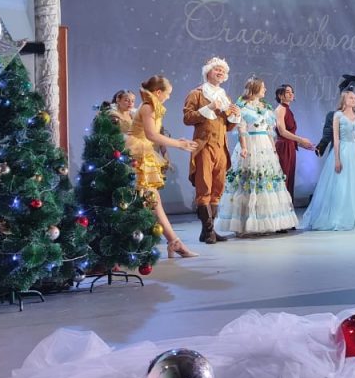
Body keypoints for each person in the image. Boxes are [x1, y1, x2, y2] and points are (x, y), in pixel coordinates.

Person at [125, 76, 199, 258]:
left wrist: (178, 142)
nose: (168, 97)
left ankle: (173, 242)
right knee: (148, 200)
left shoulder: (152, 106)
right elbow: (151, 135)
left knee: (151, 200)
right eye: (168, 93)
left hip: (143, 152)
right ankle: (172, 242)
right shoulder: (148, 107)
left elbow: (154, 135)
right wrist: (179, 144)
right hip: (137, 153)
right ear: (158, 92)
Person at [216, 78, 298, 235]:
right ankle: (244, 224)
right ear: (254, 88)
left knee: (264, 182)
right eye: (263, 87)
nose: (265, 90)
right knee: (248, 182)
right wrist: (244, 147)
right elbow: (241, 129)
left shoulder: (265, 107)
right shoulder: (243, 106)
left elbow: (269, 131)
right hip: (251, 144)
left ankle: (263, 223)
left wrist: (273, 149)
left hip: (264, 146)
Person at [301, 91, 355, 231]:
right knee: (342, 184)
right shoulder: (338, 116)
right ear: (344, 100)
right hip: (343, 151)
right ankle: (341, 216)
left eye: (354, 98)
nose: (354, 100)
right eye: (350, 98)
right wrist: (337, 159)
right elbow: (336, 139)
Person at [183, 57, 241, 244]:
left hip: (221, 146)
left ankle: (209, 230)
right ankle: (208, 230)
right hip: (204, 146)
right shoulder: (197, 93)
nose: (220, 73)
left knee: (217, 188)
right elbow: (187, 118)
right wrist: (208, 107)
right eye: (217, 69)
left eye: (223, 71)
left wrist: (234, 116)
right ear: (208, 72)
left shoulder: (225, 97)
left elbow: (226, 127)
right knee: (204, 187)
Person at [273, 83, 313, 202]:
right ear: (280, 95)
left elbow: (289, 135)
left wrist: (301, 144)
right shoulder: (280, 109)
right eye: (287, 92)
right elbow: (282, 132)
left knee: (289, 177)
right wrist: (301, 139)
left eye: (292, 92)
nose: (291, 94)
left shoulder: (287, 109)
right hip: (283, 148)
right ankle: (281, 206)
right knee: (283, 177)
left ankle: (287, 207)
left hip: (290, 147)